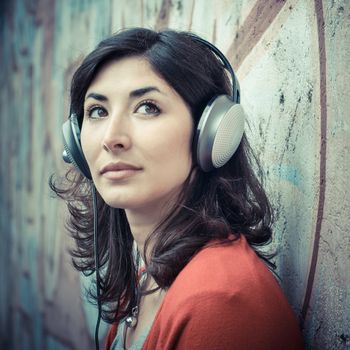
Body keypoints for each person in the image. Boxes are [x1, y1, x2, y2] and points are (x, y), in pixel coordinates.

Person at [50, 27, 304, 349]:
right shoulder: (146, 277)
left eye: (147, 107)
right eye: (97, 111)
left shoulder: (218, 302)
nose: (111, 137)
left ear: (211, 135)